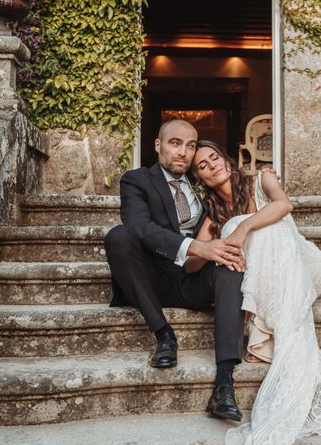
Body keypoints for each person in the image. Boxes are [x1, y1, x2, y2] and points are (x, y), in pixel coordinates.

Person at [188, 140, 321, 445]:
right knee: (237, 225)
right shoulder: (213, 213)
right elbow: (192, 265)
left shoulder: (262, 178)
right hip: (266, 276)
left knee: (265, 227)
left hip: (300, 263)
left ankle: (267, 336)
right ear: (199, 179)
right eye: (202, 166)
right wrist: (209, 249)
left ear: (228, 159)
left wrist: (243, 228)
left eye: (214, 157)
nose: (211, 166)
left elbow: (283, 205)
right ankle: (265, 335)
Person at [103, 120, 247, 422]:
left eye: (191, 145)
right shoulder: (137, 180)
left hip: (192, 278)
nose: (183, 152)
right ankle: (165, 334)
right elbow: (139, 227)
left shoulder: (202, 185)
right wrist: (197, 247)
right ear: (158, 145)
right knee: (119, 236)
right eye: (175, 143)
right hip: (152, 278)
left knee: (230, 265)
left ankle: (224, 383)